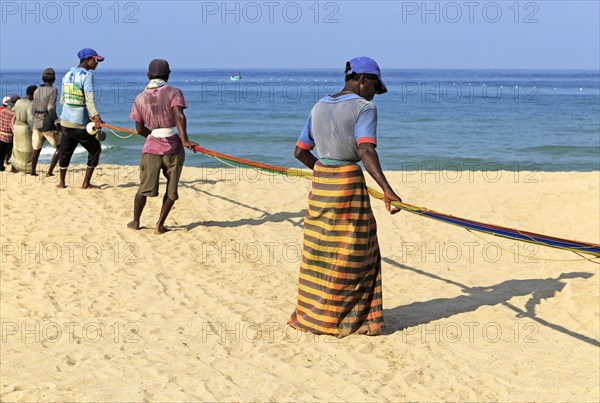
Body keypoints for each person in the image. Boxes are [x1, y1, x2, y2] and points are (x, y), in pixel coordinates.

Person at [288, 57, 402, 338]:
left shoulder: (319, 105)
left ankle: (313, 314)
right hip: (348, 186)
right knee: (357, 251)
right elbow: (365, 151)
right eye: (374, 86)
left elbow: (301, 152)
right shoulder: (365, 108)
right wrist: (387, 189)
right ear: (363, 79)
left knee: (320, 251)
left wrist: (326, 173)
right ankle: (347, 319)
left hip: (321, 185)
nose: (375, 93)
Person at [127, 59, 199, 235]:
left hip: (151, 148)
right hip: (173, 146)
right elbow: (179, 116)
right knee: (171, 188)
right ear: (168, 75)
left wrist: (152, 136)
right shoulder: (174, 92)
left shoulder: (140, 97)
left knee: (144, 187)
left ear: (149, 75)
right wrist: (185, 140)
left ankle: (136, 222)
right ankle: (159, 225)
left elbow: (139, 129)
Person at [57, 48, 105, 189]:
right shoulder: (87, 75)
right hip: (79, 124)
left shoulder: (67, 75)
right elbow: (89, 99)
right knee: (95, 149)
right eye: (95, 60)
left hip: (65, 121)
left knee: (65, 151)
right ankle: (86, 183)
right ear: (87, 60)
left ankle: (61, 183)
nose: (97, 63)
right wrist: (96, 116)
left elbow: (62, 100)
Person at [32, 68, 61, 176]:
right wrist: (57, 121)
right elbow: (50, 108)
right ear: (54, 79)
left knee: (36, 148)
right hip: (47, 122)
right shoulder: (53, 90)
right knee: (60, 148)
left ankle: (33, 171)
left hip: (36, 122)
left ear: (43, 78)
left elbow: (33, 108)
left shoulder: (36, 90)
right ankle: (49, 172)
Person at [11, 85, 37, 173]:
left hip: (16, 126)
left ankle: (14, 167)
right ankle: (27, 169)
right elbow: (30, 119)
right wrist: (33, 129)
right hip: (24, 128)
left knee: (16, 147)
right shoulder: (30, 104)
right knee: (27, 148)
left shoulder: (18, 102)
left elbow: (14, 113)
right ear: (33, 94)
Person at [0, 95, 19, 171]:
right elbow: (12, 125)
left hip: (1, 135)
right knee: (11, 151)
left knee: (1, 152)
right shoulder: (13, 114)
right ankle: (12, 167)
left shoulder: (2, 111)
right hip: (9, 137)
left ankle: (1, 166)